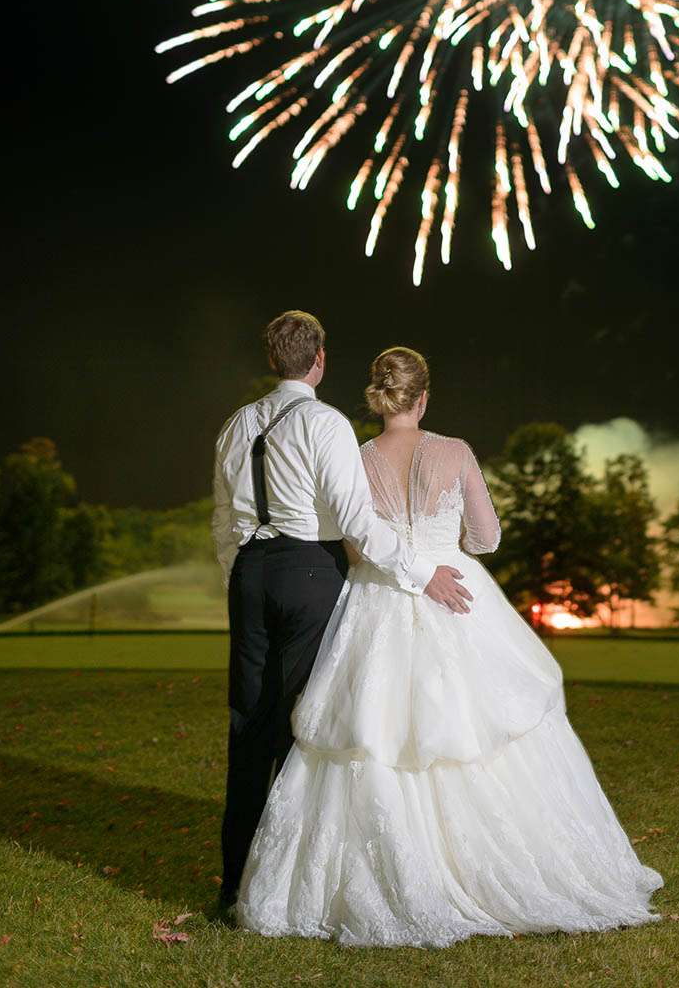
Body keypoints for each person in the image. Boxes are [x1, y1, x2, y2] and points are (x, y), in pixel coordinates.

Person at [236, 346, 664, 946]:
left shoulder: (356, 457)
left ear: (379, 398)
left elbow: (355, 544)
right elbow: (486, 538)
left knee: (372, 729)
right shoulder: (455, 451)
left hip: (376, 598)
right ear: (424, 397)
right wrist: (446, 537)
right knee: (473, 724)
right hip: (454, 589)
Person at [211, 314, 472, 916]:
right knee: (308, 720)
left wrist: (241, 575)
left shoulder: (235, 424)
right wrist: (421, 572)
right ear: (319, 359)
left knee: (249, 721)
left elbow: (223, 517)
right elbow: (356, 519)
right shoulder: (324, 424)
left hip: (251, 574)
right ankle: (281, 879)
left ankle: (233, 881)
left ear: (273, 359)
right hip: (309, 571)